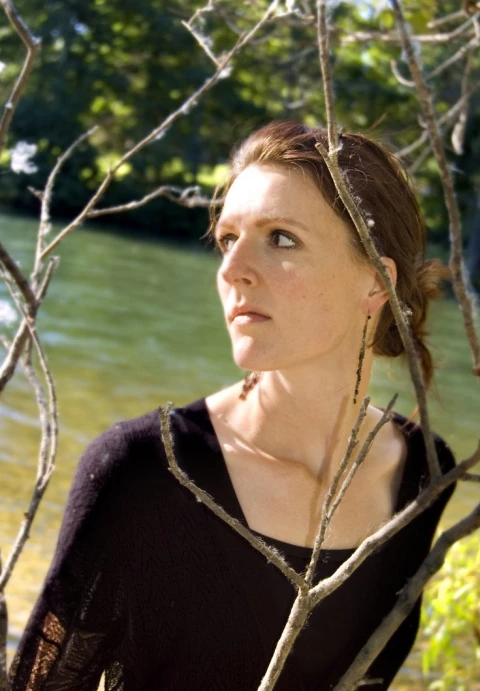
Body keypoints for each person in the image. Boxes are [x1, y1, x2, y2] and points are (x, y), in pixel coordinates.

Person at [8, 121, 457, 691]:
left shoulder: (423, 473)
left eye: (281, 238)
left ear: (375, 282)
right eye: (227, 239)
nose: (232, 268)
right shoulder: (145, 471)